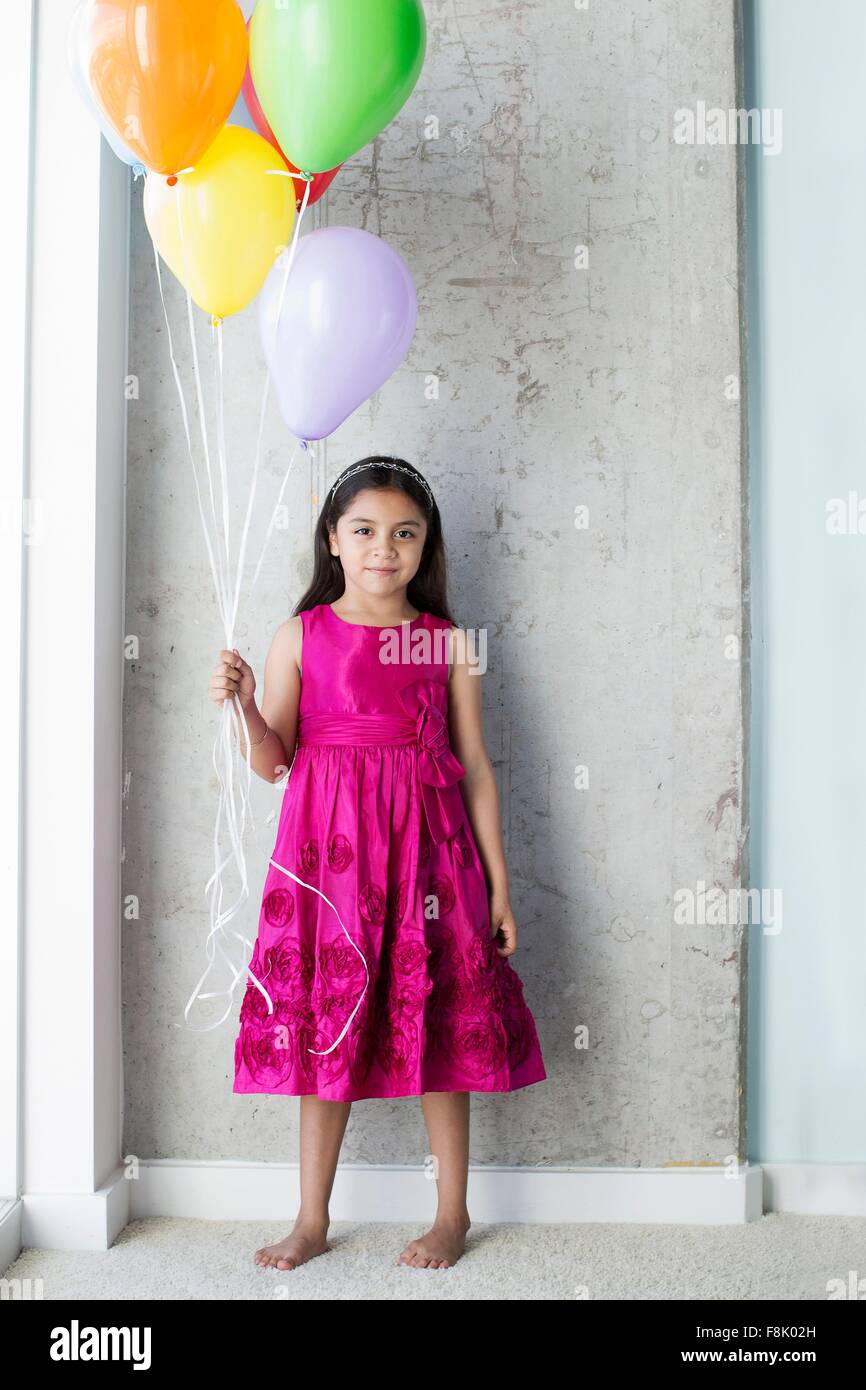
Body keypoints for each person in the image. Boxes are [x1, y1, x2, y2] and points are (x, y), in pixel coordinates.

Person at [208, 455, 547, 1272]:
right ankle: (311, 1219)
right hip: (331, 865)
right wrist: (247, 707)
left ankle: (452, 1214)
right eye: (364, 531)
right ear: (333, 539)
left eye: (405, 534)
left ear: (426, 547)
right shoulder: (302, 635)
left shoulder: (445, 643)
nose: (383, 549)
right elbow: (274, 761)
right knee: (327, 1029)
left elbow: (477, 766)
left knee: (440, 1023)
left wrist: (499, 887)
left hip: (432, 861)